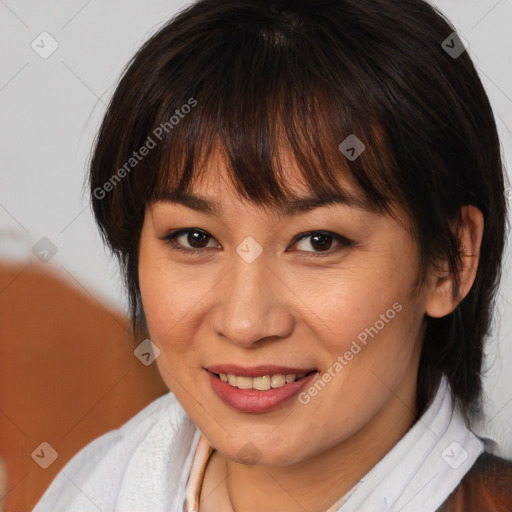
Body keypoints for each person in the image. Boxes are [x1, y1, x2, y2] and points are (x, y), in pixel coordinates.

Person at [33, 0, 512, 510]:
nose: (245, 322)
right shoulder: (96, 486)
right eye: (195, 238)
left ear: (451, 259)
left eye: (318, 241)